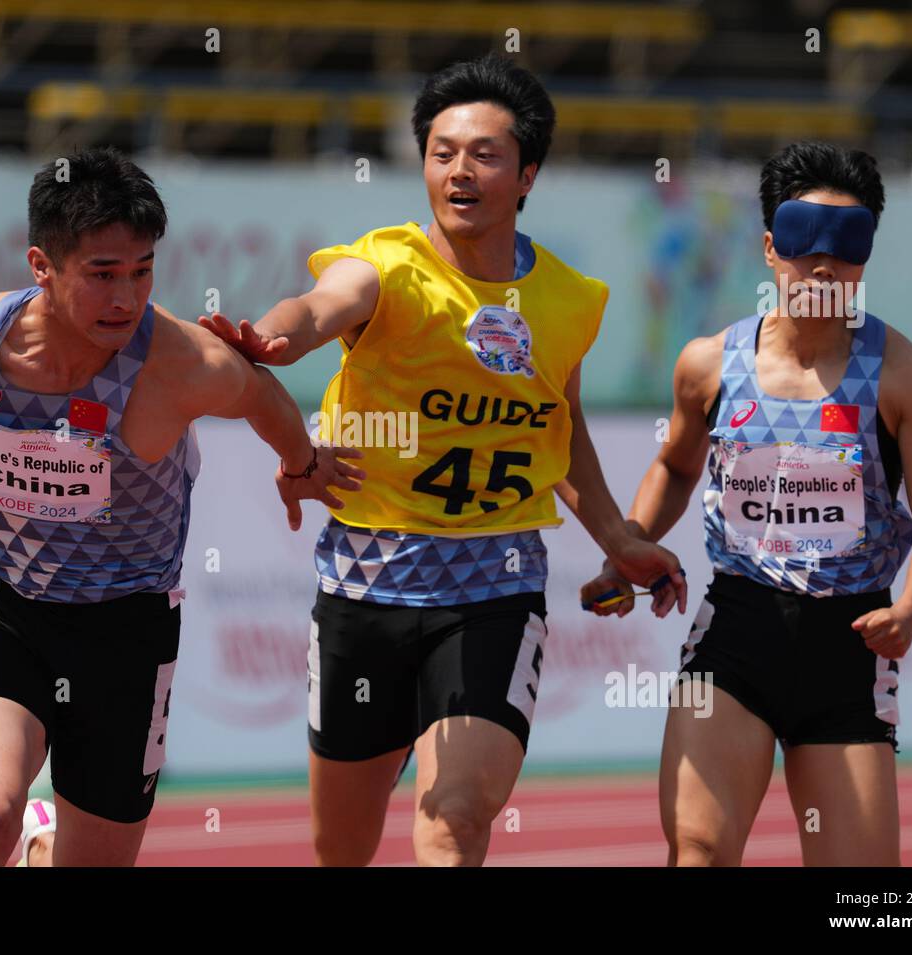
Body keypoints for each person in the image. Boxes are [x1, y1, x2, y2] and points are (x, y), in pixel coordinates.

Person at [0, 147, 363, 866]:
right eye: (102, 274)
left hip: (128, 626)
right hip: (6, 604)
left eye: (142, 271)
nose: (126, 298)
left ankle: (47, 846)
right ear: (42, 266)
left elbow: (261, 395)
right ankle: (24, 832)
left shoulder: (177, 366)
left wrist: (300, 465)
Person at [200, 54, 687, 867]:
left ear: (527, 172)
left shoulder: (570, 301)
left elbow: (557, 427)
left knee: (453, 820)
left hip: (494, 588)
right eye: (442, 151)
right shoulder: (386, 267)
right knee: (342, 851)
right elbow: (318, 306)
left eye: (485, 154)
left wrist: (616, 535)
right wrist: (276, 337)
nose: (459, 170)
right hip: (363, 588)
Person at [581, 141, 912, 866]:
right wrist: (625, 546)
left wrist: (909, 610)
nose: (823, 264)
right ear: (768, 248)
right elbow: (674, 466)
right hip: (738, 631)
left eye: (847, 244)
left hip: (849, 643)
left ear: (868, 254)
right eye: (801, 240)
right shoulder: (707, 364)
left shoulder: (908, 379)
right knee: (697, 851)